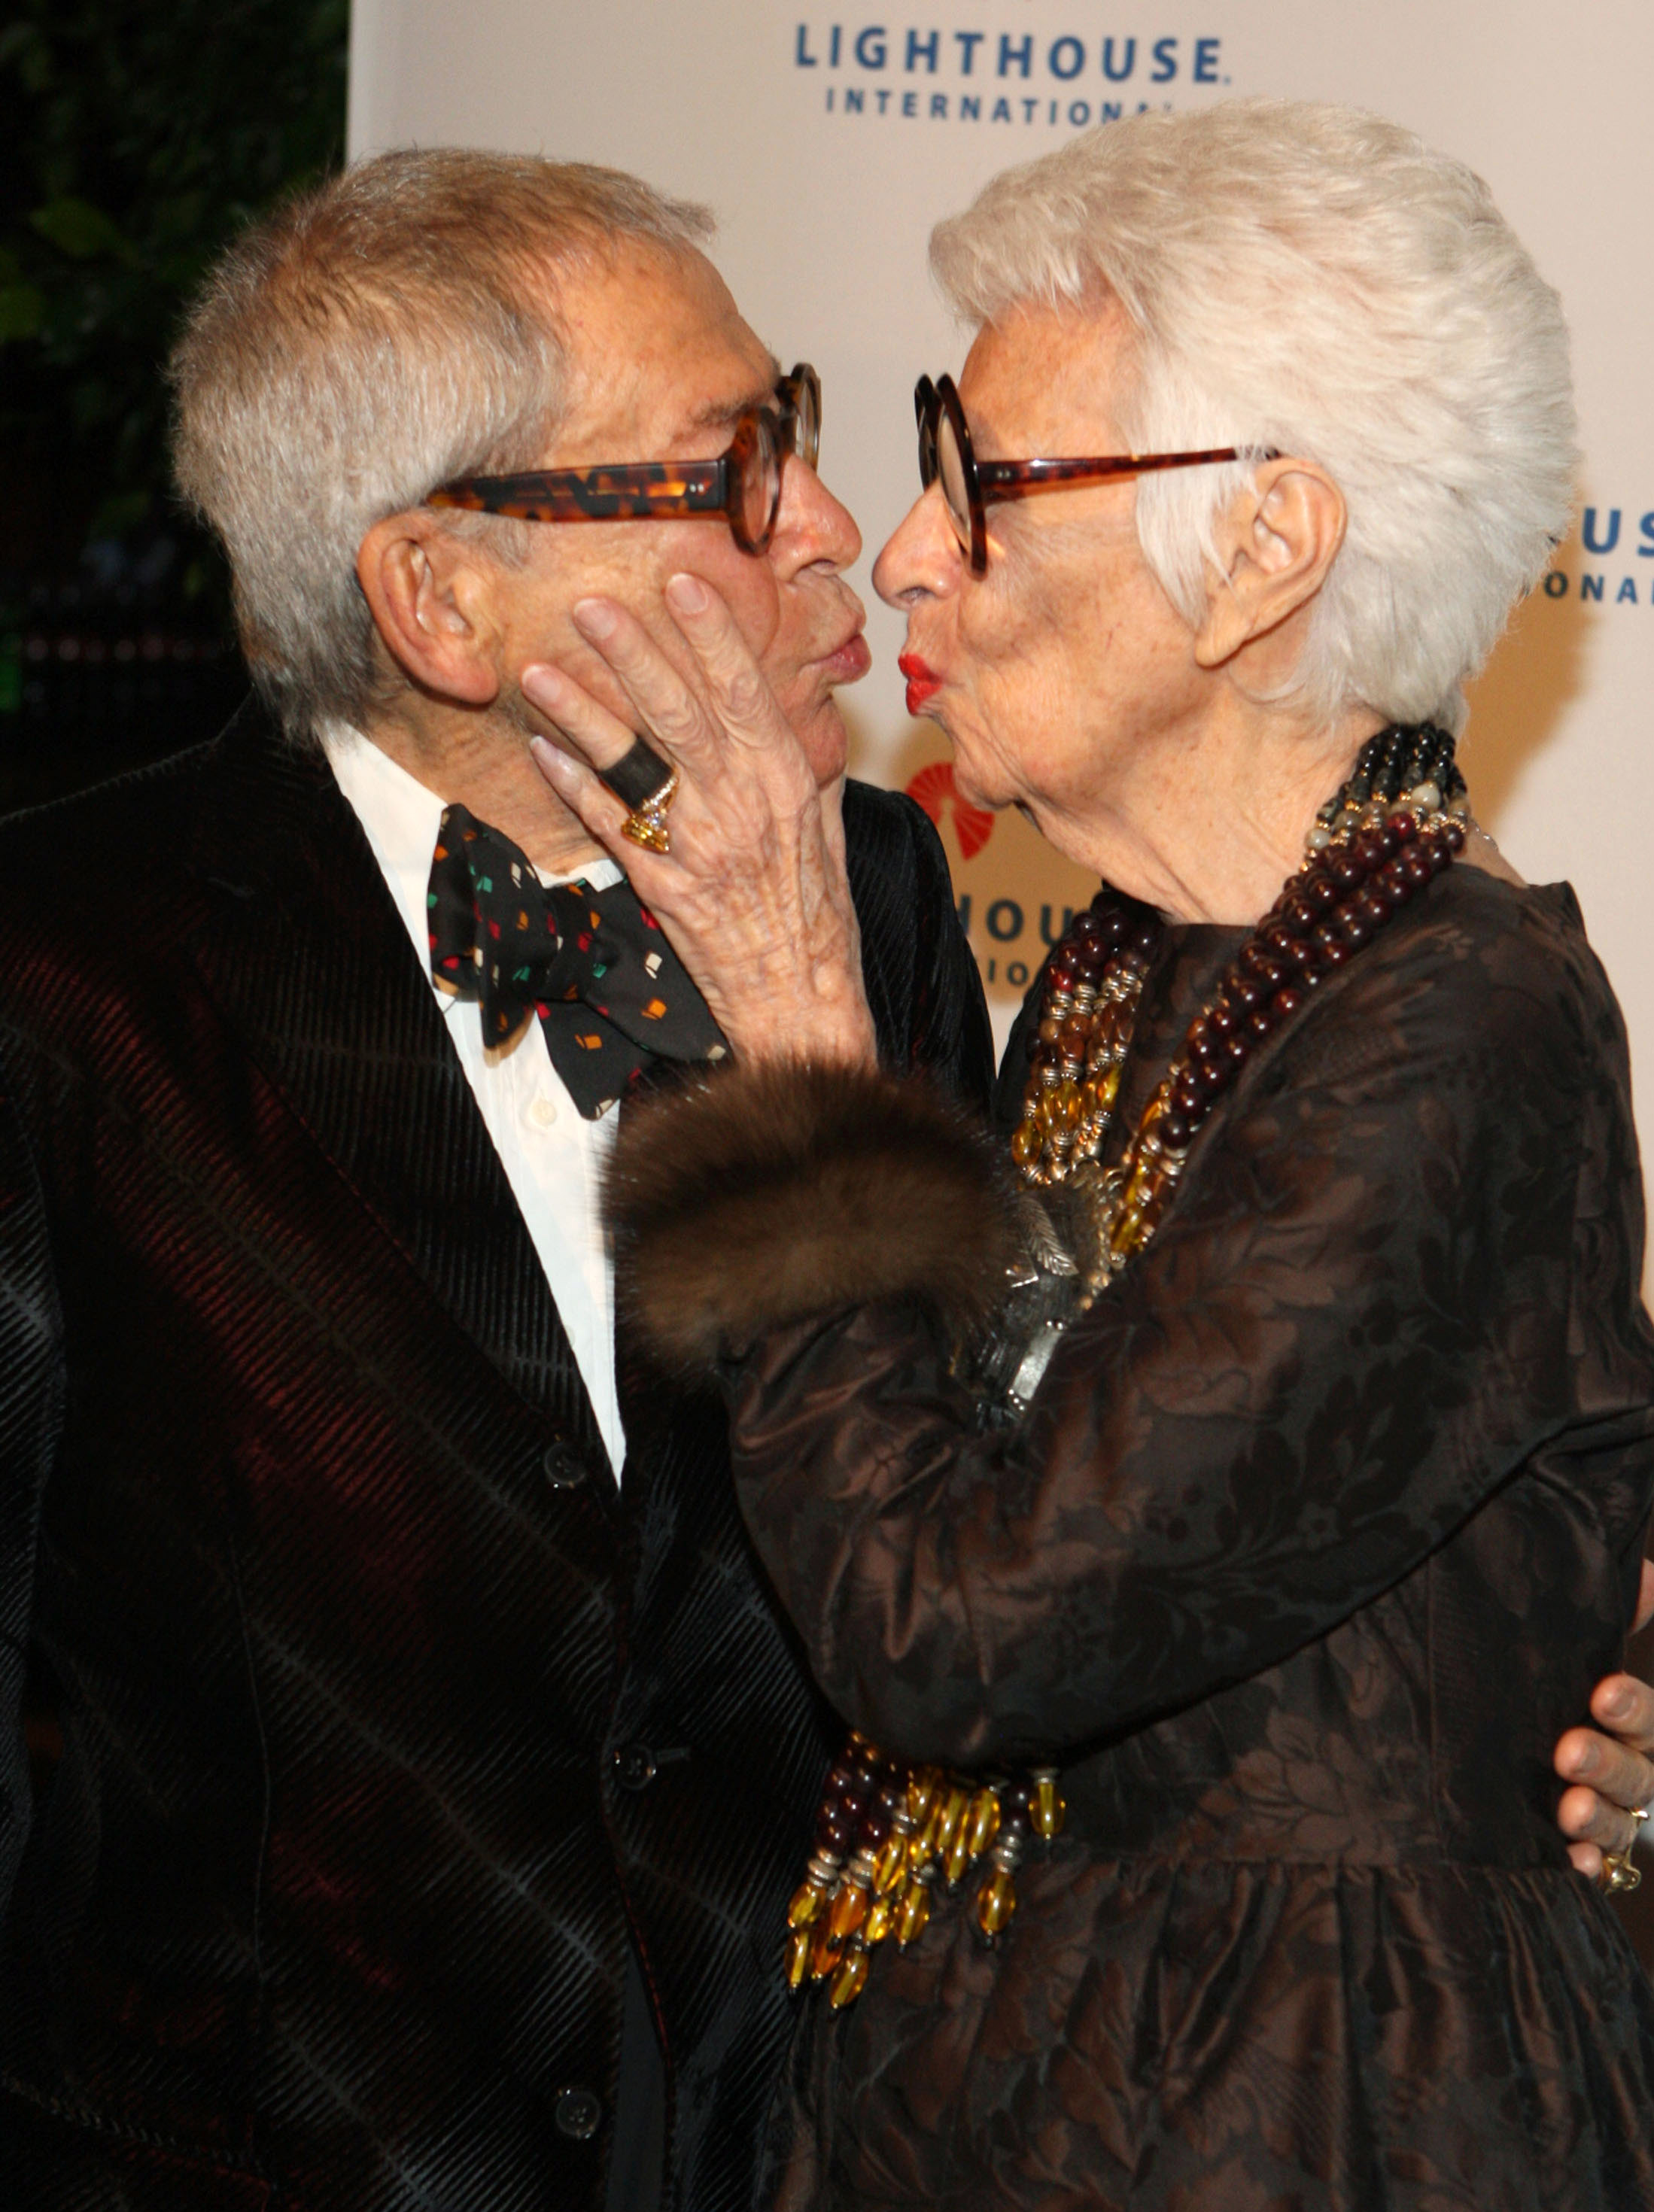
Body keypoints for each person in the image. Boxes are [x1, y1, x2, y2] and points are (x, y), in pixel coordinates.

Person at [526, 103, 1654, 2207]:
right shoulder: (1127, 981)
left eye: (992, 481)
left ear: (1267, 548)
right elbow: (938, 1491)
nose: (912, 552)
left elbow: (961, 1622)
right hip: (1015, 2083)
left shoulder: (1461, 1014)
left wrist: (796, 1023)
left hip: (1312, 2117)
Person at [0, 150, 992, 2212]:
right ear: (441, 601)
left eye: (789, 432)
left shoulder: (878, 901)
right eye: (735, 465)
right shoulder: (61, 979)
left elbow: (952, 1543)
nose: (829, 532)